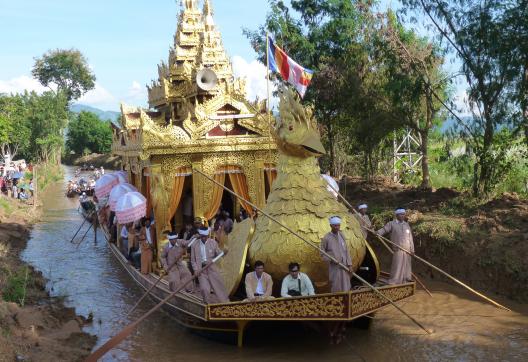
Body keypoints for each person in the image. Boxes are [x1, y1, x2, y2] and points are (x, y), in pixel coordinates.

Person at [190, 227, 229, 303]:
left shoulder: (213, 242)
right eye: (202, 236)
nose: (204, 238)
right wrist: (195, 270)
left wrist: (224, 252)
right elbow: (192, 260)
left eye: (206, 236)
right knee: (205, 289)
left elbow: (219, 254)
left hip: (212, 268)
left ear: (208, 235)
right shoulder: (194, 244)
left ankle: (225, 303)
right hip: (201, 270)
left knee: (219, 287)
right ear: (200, 236)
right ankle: (207, 305)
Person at [377, 208, 414, 285]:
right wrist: (377, 233)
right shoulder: (391, 224)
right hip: (398, 249)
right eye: (401, 214)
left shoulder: (406, 225)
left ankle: (406, 280)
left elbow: (410, 238)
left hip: (408, 250)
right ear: (396, 215)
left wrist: (412, 249)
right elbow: (384, 230)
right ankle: (395, 281)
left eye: (404, 214)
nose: (403, 216)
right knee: (397, 266)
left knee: (407, 267)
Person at [320, 216, 353, 293]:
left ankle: (346, 300)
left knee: (346, 285)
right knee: (336, 285)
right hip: (335, 267)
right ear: (331, 226)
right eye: (335, 225)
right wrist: (332, 259)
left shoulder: (342, 235)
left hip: (344, 266)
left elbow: (346, 251)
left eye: (338, 225)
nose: (337, 227)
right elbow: (322, 254)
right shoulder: (326, 238)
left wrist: (350, 265)